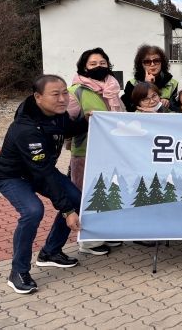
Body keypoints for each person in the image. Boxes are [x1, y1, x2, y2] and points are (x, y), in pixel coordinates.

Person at [0, 75, 86, 294]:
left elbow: (67, 129)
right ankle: (18, 271)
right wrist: (67, 211)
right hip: (11, 176)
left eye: (65, 93)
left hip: (40, 170)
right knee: (33, 211)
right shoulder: (26, 129)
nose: (62, 99)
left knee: (76, 198)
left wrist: (88, 121)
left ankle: (51, 252)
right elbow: (44, 173)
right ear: (38, 97)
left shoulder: (57, 114)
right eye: (55, 94)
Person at [67, 48, 124, 256]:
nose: (98, 67)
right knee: (87, 194)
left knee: (107, 193)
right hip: (86, 151)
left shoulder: (113, 89)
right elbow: (67, 124)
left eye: (102, 63)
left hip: (112, 151)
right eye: (93, 64)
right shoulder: (76, 91)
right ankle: (88, 241)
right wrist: (85, 120)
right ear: (84, 67)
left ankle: (104, 232)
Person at [122, 45, 178, 112]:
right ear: (141, 64)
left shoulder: (173, 84)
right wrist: (146, 85)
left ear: (162, 63)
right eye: (147, 62)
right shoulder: (132, 84)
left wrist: (167, 103)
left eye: (156, 61)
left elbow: (178, 109)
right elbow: (128, 108)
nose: (152, 64)